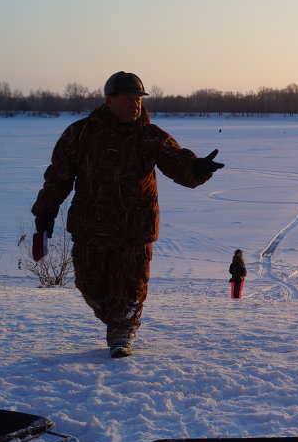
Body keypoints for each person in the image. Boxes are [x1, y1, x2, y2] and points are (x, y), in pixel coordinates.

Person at [31, 71, 225, 358]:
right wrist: (46, 212)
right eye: (128, 98)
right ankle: (117, 321)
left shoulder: (149, 135)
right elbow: (59, 176)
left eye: (138, 99)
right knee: (90, 285)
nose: (135, 104)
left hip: (134, 229)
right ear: (109, 100)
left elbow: (175, 160)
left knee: (129, 287)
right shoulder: (80, 133)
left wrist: (196, 169)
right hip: (90, 227)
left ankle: (122, 333)